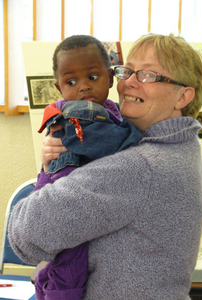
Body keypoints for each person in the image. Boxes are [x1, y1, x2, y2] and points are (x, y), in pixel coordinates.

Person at [8, 33, 202, 300]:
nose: (128, 84)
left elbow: (25, 233)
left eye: (148, 75)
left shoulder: (141, 168)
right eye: (128, 72)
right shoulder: (182, 148)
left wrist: (48, 174)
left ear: (183, 97)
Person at [32, 34, 144, 300]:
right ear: (59, 88)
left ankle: (44, 282)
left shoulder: (112, 111)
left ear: (109, 77)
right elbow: (106, 143)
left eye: (92, 78)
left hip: (85, 198)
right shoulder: (74, 113)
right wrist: (140, 136)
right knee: (71, 260)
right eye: (71, 82)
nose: (83, 87)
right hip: (64, 196)